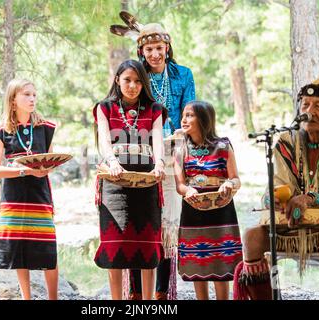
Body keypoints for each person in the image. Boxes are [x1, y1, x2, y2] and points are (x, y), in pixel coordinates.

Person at [233, 63, 319, 300]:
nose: (310, 111)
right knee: (251, 237)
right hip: (293, 221)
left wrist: (309, 199)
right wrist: (274, 198)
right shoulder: (287, 141)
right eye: (306, 105)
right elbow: (277, 186)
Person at [110, 10, 196, 300]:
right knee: (140, 219)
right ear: (141, 51)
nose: (156, 54)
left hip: (174, 150)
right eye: (149, 49)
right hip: (140, 152)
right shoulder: (136, 76)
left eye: (160, 48)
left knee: (168, 225)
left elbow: (190, 111)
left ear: (168, 48)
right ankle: (135, 292)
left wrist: (184, 129)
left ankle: (161, 292)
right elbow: (125, 109)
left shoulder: (183, 75)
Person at [93, 59, 166, 300]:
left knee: (147, 248)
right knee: (115, 248)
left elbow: (157, 140)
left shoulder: (155, 109)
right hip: (114, 183)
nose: (132, 86)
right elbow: (104, 140)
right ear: (117, 81)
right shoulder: (104, 108)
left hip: (147, 183)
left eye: (137, 81)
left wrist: (160, 164)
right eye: (127, 80)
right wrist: (113, 162)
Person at [0, 79, 58, 300]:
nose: (32, 99)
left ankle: (53, 298)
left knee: (48, 250)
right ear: (12, 100)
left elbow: (50, 162)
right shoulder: (2, 132)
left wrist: (43, 168)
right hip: (13, 198)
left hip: (40, 196)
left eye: (34, 95)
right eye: (26, 95)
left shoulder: (46, 129)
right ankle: (26, 297)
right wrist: (24, 171)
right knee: (19, 250)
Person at [173, 101, 242, 299]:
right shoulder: (180, 149)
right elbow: (180, 185)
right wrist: (188, 191)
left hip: (221, 209)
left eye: (190, 115)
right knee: (198, 263)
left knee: (221, 261)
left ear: (204, 120)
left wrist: (229, 184)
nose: (184, 119)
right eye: (184, 115)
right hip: (193, 211)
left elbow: (236, 178)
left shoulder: (223, 146)